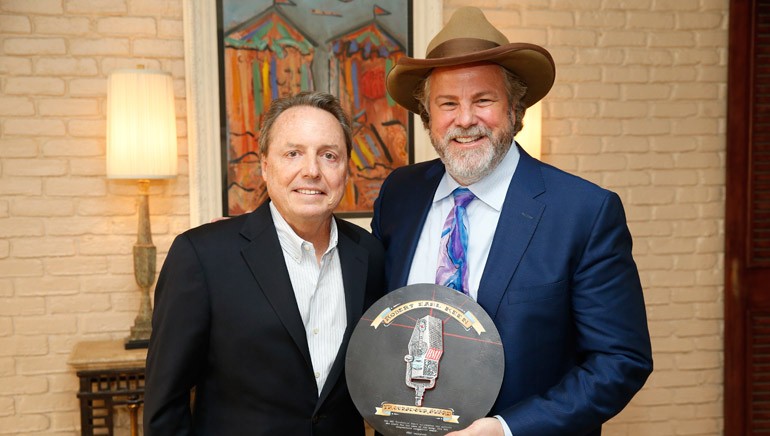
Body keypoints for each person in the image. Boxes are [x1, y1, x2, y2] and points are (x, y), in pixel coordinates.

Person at [372, 7, 653, 436]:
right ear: (428, 116)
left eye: (483, 100)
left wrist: (505, 429)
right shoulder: (400, 194)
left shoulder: (583, 212)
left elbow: (620, 361)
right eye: (448, 104)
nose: (465, 119)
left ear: (515, 110)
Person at [144, 91, 385, 435]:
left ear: (346, 169)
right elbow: (165, 406)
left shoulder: (369, 255)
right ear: (265, 165)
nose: (312, 171)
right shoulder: (202, 256)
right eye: (293, 153)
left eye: (329, 156)